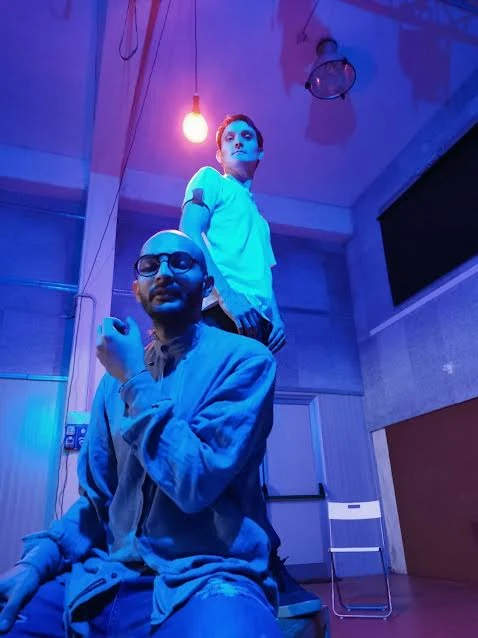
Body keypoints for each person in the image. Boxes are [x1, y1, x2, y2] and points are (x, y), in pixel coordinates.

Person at [0, 230, 282, 637]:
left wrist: (133, 377)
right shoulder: (111, 382)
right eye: (150, 266)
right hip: (109, 573)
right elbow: (97, 503)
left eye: (180, 262)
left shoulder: (246, 361)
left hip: (208, 578)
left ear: (207, 286)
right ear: (137, 290)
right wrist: (38, 559)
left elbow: (195, 483)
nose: (163, 272)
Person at [180, 115, 322, 619]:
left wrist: (276, 316)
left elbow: (263, 276)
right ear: (219, 153)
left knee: (252, 445)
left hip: (257, 325)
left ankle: (253, 564)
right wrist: (225, 292)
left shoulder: (259, 220)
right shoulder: (210, 180)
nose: (238, 142)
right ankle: (250, 565)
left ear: (260, 153)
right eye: (229, 138)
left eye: (248, 138)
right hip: (221, 313)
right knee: (221, 441)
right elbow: (189, 235)